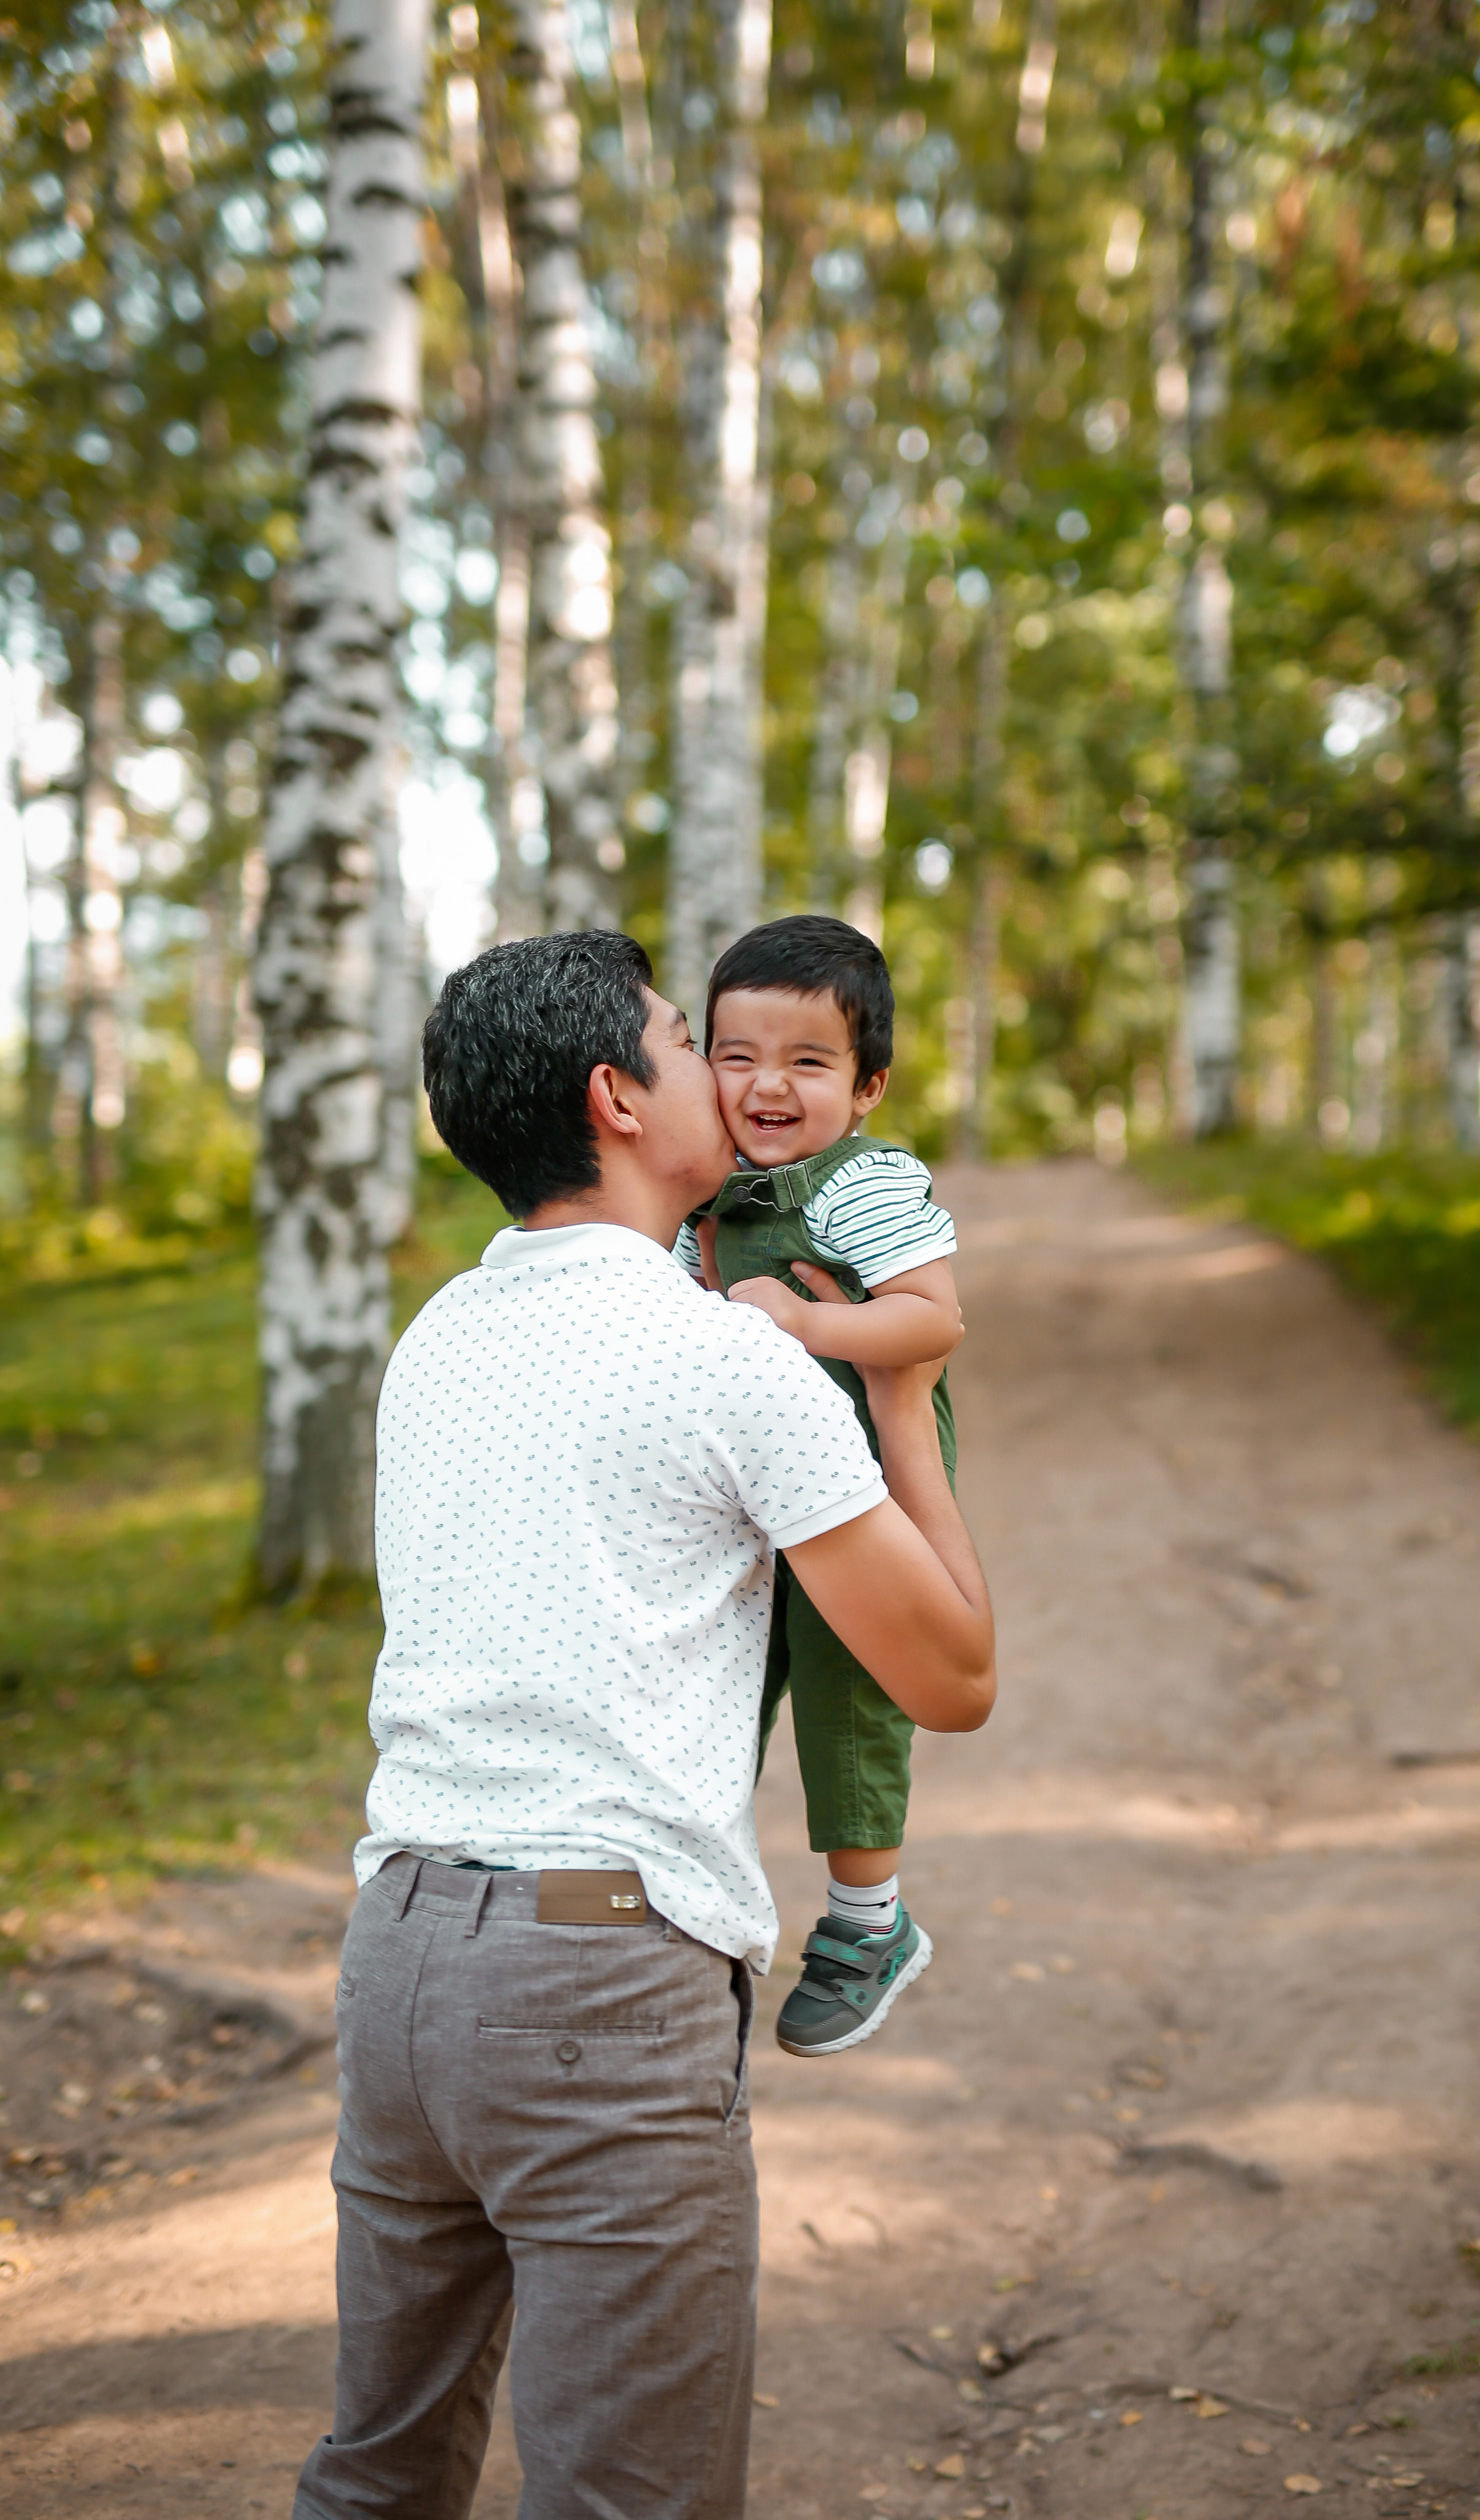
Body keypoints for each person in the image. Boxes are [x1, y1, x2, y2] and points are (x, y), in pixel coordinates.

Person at [291, 928, 995, 2520]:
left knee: (377, 2468)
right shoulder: (725, 1360)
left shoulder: (436, 1342)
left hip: (398, 1955)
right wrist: (898, 1410)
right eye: (691, 1046)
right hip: (598, 1987)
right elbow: (951, 1676)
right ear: (617, 1098)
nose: (731, 1081)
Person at [673, 916, 963, 2060]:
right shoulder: (702, 1187)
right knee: (714, 1673)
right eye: (737, 1056)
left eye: (808, 1062)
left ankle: (865, 1925)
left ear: (868, 1083)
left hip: (857, 1470)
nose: (767, 1086)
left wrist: (807, 1321)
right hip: (740, 1485)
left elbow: (933, 1315)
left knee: (852, 1684)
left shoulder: (866, 1181)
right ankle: (684, 1889)